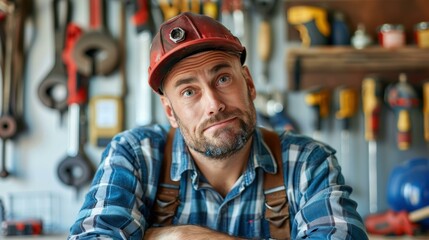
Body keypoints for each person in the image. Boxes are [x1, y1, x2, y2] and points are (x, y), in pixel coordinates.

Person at [68, 12, 368, 240]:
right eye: (189, 91)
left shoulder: (306, 163)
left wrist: (173, 236)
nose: (213, 103)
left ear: (248, 83)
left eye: (222, 78)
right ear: (170, 111)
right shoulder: (136, 155)